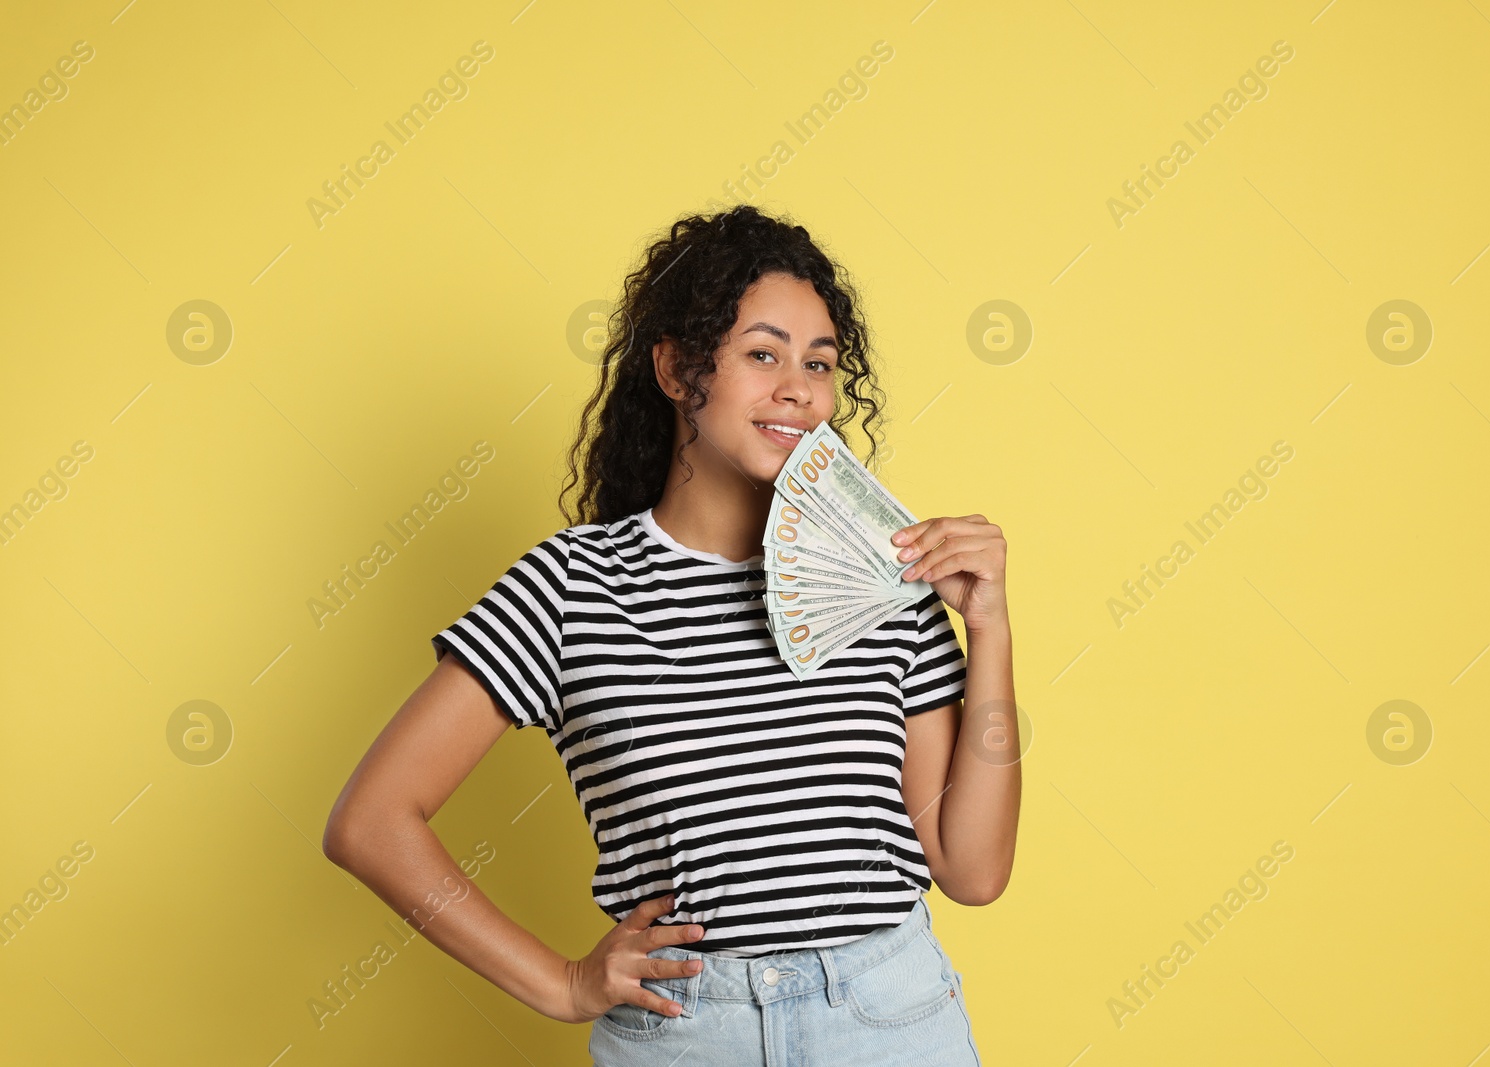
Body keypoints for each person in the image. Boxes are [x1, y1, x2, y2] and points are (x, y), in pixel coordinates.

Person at [323, 204, 1020, 1065]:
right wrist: (561, 983)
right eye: (762, 354)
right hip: (689, 1033)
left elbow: (972, 869)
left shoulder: (885, 578)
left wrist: (987, 627)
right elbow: (371, 821)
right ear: (678, 368)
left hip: (886, 1018)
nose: (798, 388)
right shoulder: (571, 587)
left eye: (820, 363)